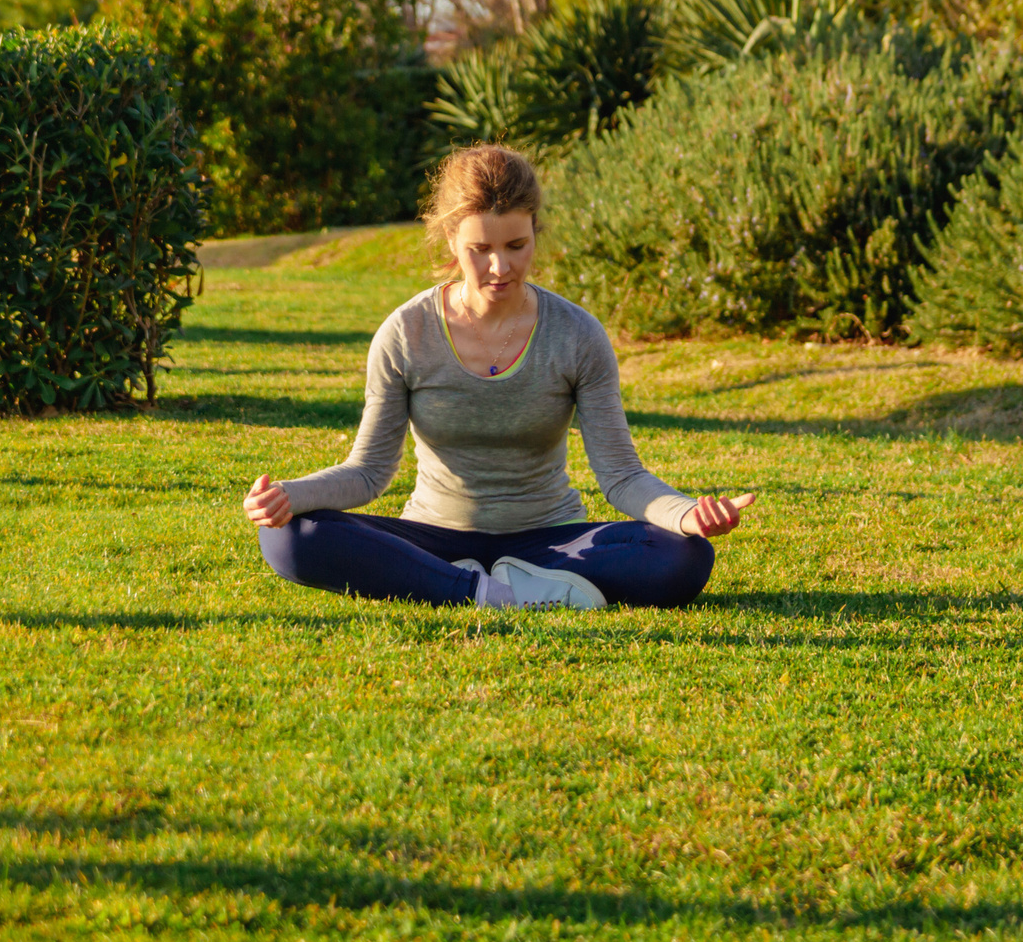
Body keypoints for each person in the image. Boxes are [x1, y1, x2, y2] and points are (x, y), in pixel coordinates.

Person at [241, 144, 753, 610]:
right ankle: (483, 590)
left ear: (535, 232)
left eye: (515, 245)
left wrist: (686, 514)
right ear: (451, 237)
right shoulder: (406, 331)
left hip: (550, 540)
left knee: (682, 556)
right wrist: (290, 495)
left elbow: (621, 477)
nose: (499, 267)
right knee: (288, 537)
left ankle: (467, 585)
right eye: (479, 249)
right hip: (433, 537)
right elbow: (369, 473)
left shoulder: (577, 335)